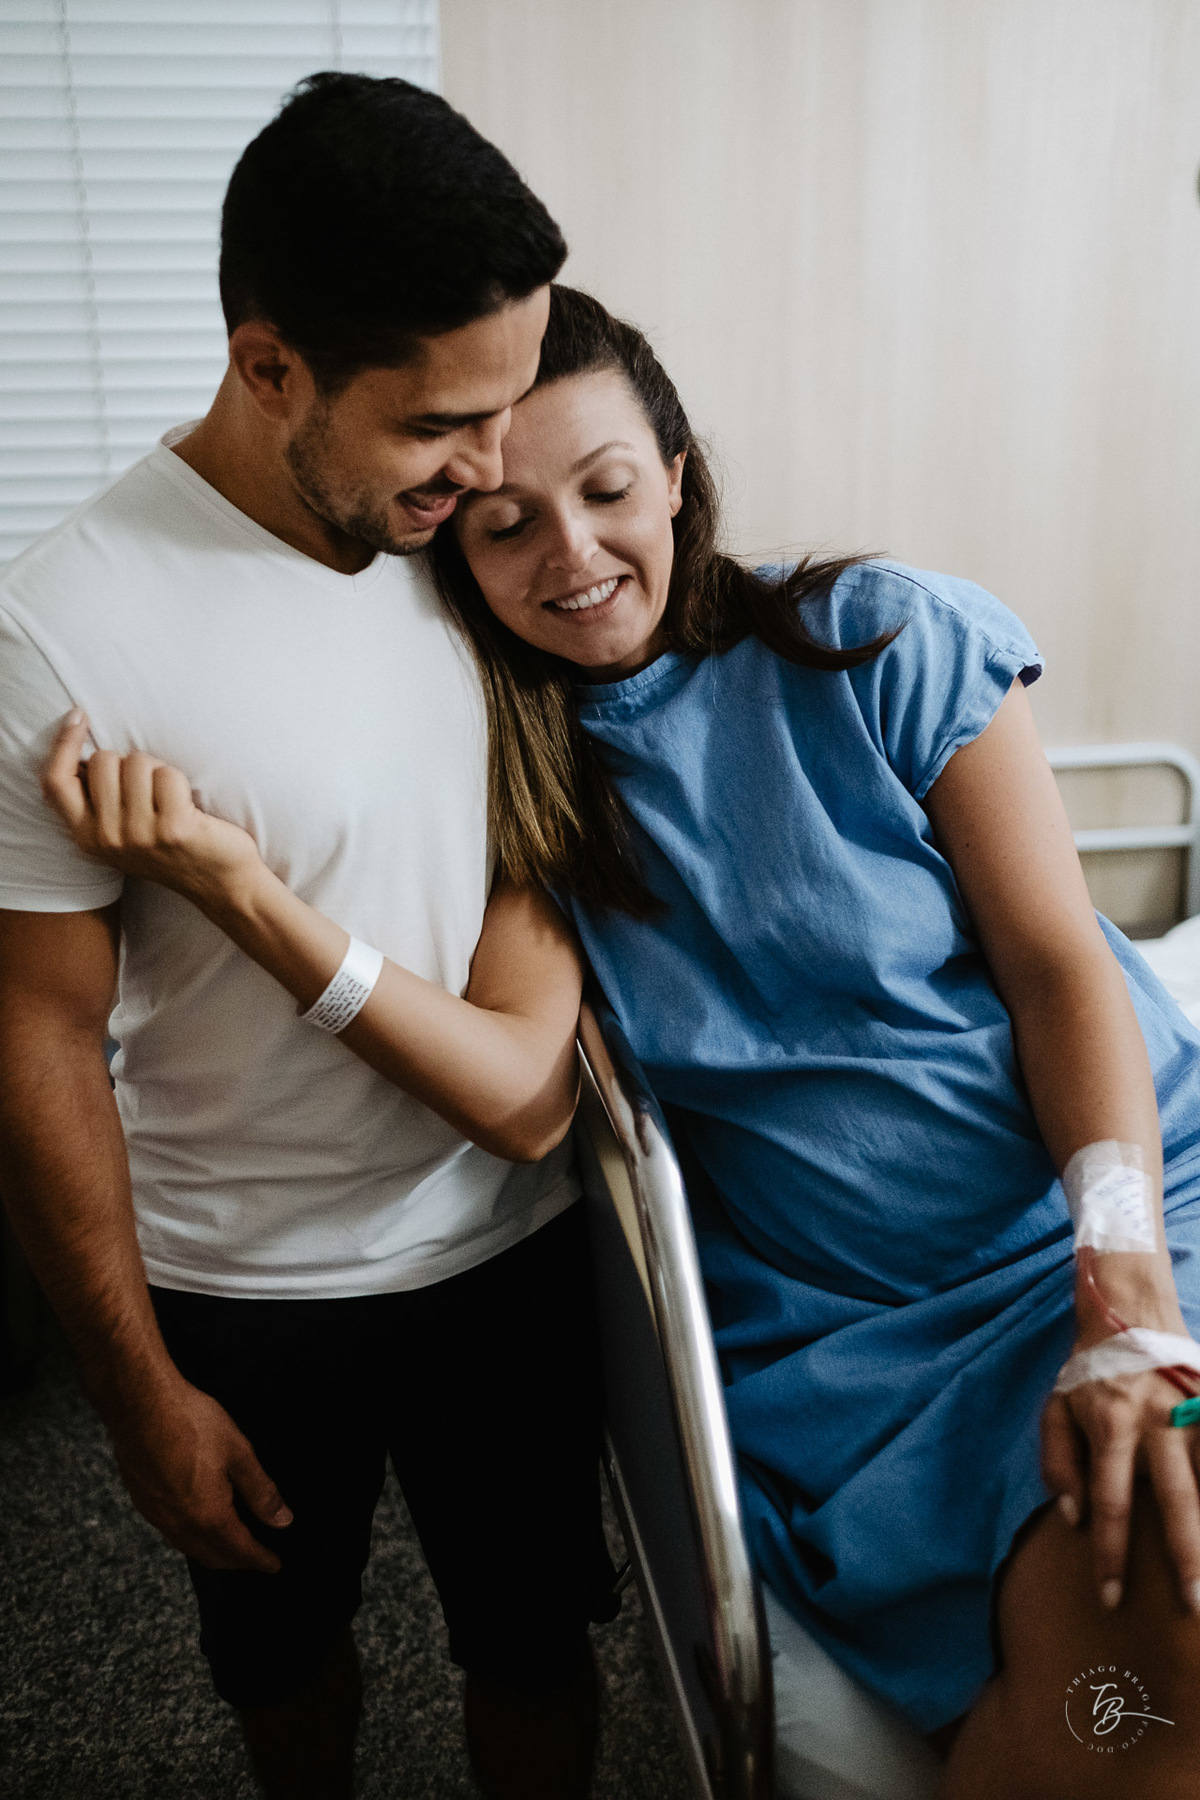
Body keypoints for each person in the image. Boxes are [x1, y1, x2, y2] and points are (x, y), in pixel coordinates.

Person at [39, 286, 1200, 1799]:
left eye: (605, 491)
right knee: (1148, 1660)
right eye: (507, 525)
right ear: (453, 552)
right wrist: (236, 886)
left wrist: (1121, 1291)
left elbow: (1060, 968)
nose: (574, 558)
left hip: (1110, 1217)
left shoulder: (881, 640)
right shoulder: (516, 790)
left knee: (1165, 1599)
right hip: (860, 1337)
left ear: (676, 475)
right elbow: (520, 1097)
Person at [0, 83, 613, 1800]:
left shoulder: (475, 547)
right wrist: (133, 1395)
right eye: (437, 426)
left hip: (508, 1249)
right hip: (243, 1285)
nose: (491, 471)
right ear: (271, 369)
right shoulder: (63, 629)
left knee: (538, 1642)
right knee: (278, 1656)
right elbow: (40, 1036)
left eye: (505, 407)